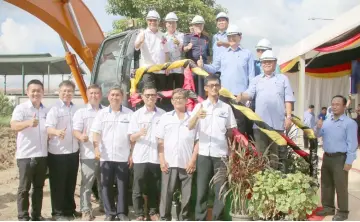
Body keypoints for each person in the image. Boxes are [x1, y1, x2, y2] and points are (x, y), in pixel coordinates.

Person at [188, 75, 237, 220]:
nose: (214, 88)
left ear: (220, 87)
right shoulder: (199, 107)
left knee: (220, 190)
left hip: (221, 154)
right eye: (211, 85)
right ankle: (200, 218)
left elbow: (231, 132)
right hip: (203, 153)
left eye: (216, 85)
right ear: (206, 89)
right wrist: (197, 116)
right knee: (202, 189)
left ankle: (217, 218)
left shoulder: (226, 108)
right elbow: (189, 127)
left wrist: (232, 153)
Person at [236, 50, 295, 171]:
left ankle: (275, 182)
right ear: (261, 64)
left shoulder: (283, 79)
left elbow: (288, 99)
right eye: (264, 62)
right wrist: (242, 96)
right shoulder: (256, 80)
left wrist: (289, 117)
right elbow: (250, 94)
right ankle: (262, 183)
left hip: (277, 125)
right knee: (261, 157)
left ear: (275, 63)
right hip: (259, 125)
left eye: (269, 61)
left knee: (276, 157)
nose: (267, 64)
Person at [198, 25, 255, 136]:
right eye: (229, 37)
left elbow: (251, 77)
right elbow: (214, 68)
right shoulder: (223, 54)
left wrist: (247, 95)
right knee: (223, 123)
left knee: (239, 126)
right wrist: (203, 65)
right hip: (224, 95)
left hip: (240, 97)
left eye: (234, 36)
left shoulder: (247, 54)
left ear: (240, 37)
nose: (232, 39)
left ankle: (239, 152)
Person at [156, 88, 199, 221]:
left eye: (181, 98)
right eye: (175, 98)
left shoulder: (193, 118)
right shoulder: (165, 117)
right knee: (166, 193)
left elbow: (197, 141)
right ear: (172, 101)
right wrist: (162, 160)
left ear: (187, 100)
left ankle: (184, 218)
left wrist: (193, 161)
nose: (178, 100)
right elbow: (160, 140)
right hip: (169, 162)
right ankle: (165, 217)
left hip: (187, 163)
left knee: (186, 194)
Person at [91, 86, 133, 221]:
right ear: (108, 97)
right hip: (106, 156)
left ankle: (122, 213)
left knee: (123, 186)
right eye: (112, 95)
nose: (115, 97)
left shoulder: (129, 114)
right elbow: (96, 133)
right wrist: (96, 149)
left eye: (118, 95)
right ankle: (110, 213)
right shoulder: (102, 114)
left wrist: (131, 154)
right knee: (106, 185)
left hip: (123, 156)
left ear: (122, 97)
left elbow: (132, 136)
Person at [315, 95, 358, 221]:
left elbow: (352, 144)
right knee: (326, 184)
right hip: (327, 157)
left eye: (338, 104)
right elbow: (318, 135)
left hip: (340, 158)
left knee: (341, 185)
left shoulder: (350, 123)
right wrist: (318, 126)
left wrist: (349, 161)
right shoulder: (327, 121)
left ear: (344, 106)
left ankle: (343, 211)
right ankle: (328, 207)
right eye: (333, 104)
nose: (334, 106)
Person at [11, 80, 48, 221]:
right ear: (27, 92)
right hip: (26, 156)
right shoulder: (21, 109)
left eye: (39, 90)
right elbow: (13, 126)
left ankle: (36, 215)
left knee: (38, 188)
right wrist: (28, 123)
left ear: (43, 93)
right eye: (33, 90)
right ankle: (23, 216)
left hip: (42, 155)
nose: (36, 93)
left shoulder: (46, 111)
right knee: (24, 188)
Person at [128, 86, 166, 221]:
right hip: (140, 156)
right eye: (147, 95)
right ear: (142, 97)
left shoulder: (163, 114)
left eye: (153, 95)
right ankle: (139, 214)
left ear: (157, 97)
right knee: (137, 186)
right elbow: (131, 138)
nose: (150, 97)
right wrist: (139, 133)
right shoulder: (136, 115)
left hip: (156, 157)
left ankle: (152, 212)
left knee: (154, 186)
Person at [45, 80, 80, 221]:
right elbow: (48, 128)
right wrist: (57, 131)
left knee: (70, 182)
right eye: (64, 91)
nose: (67, 93)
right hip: (58, 152)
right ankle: (58, 213)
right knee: (58, 183)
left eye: (70, 91)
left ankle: (69, 209)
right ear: (59, 92)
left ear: (73, 93)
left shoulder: (75, 109)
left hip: (73, 151)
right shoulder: (54, 109)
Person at [72, 84, 104, 220]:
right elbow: (75, 130)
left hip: (105, 155)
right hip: (88, 154)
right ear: (87, 94)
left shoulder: (106, 111)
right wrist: (81, 137)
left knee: (104, 182)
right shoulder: (81, 112)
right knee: (87, 183)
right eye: (91, 93)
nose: (94, 96)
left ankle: (104, 205)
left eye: (96, 93)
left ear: (100, 95)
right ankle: (86, 209)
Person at [135, 10, 170, 94]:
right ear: (147, 21)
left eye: (154, 20)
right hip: (148, 70)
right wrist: (140, 41)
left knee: (161, 96)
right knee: (149, 94)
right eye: (150, 20)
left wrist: (167, 66)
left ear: (158, 21)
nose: (152, 22)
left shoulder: (163, 35)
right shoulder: (143, 33)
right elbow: (136, 47)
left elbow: (166, 52)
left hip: (161, 70)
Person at [183, 15, 210, 98]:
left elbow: (208, 54)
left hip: (203, 66)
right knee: (192, 89)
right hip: (192, 67)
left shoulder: (206, 38)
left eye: (201, 24)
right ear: (193, 26)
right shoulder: (188, 37)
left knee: (203, 90)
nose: (199, 26)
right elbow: (184, 49)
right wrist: (188, 47)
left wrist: (208, 67)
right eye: (197, 24)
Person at [164, 12, 185, 89]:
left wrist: (179, 43)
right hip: (167, 68)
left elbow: (183, 49)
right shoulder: (163, 36)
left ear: (176, 24)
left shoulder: (181, 35)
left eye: (173, 23)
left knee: (179, 90)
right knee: (168, 89)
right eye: (169, 23)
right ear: (166, 24)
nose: (171, 25)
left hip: (179, 68)